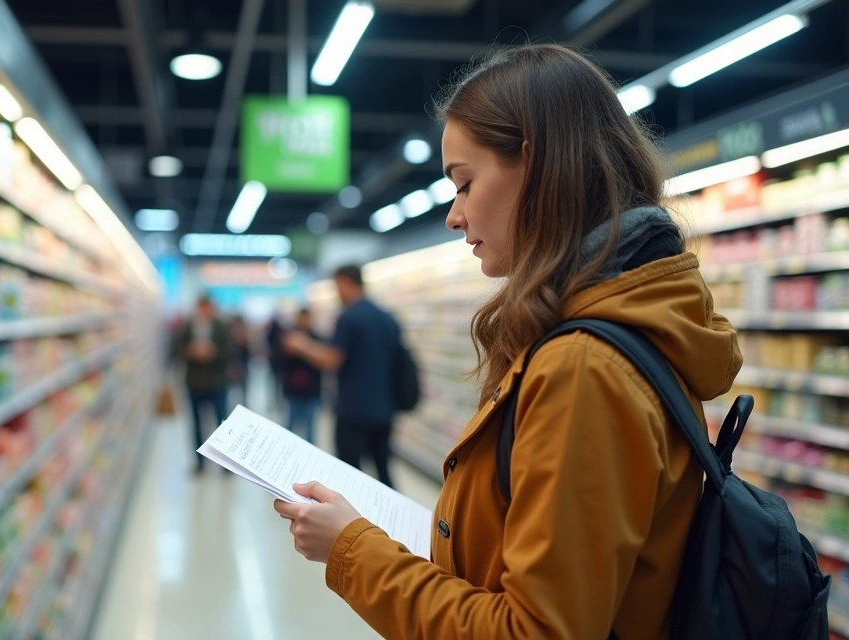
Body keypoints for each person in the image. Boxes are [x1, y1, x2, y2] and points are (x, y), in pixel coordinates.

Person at [273, 44, 741, 639]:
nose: (454, 214)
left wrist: (352, 550)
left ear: (536, 163)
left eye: (464, 183)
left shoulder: (583, 368)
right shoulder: (605, 335)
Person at [283, 264, 402, 488]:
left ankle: (355, 521)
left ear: (346, 283)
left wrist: (301, 345)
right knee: (383, 468)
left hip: (354, 409)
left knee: (349, 474)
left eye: (337, 286)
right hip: (385, 408)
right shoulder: (387, 318)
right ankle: (390, 520)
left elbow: (332, 360)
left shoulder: (350, 317)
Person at [174, 296, 233, 474]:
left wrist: (213, 352)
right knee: (196, 423)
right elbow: (176, 350)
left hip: (217, 383)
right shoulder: (187, 327)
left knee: (222, 423)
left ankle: (226, 463)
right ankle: (199, 462)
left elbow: (230, 352)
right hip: (195, 383)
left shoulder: (221, 327)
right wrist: (191, 351)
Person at [281, 309, 323, 444]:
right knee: (291, 426)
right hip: (293, 389)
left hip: (311, 390)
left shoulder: (317, 337)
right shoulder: (289, 337)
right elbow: (278, 360)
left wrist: (305, 350)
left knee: (310, 429)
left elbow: (322, 362)